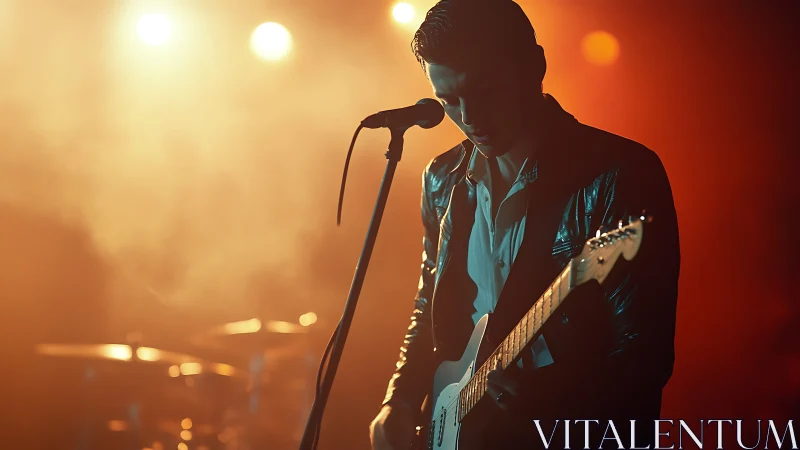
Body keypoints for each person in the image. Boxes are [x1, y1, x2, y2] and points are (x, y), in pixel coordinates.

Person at [369, 0, 680, 449]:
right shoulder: (442, 180)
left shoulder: (617, 173)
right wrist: (397, 400)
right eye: (449, 101)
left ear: (535, 65)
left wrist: (554, 402)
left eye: (485, 90)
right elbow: (429, 300)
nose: (469, 116)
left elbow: (643, 352)